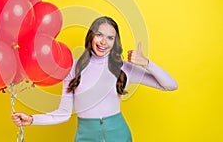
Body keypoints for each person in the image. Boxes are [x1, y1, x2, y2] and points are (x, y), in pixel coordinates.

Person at [11, 16, 178, 142]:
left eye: (110, 38)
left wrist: (147, 63)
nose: (103, 42)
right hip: (85, 137)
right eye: (99, 34)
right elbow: (63, 114)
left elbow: (170, 85)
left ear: (115, 42)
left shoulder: (124, 68)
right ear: (91, 36)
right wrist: (32, 120)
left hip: (119, 135)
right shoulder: (72, 68)